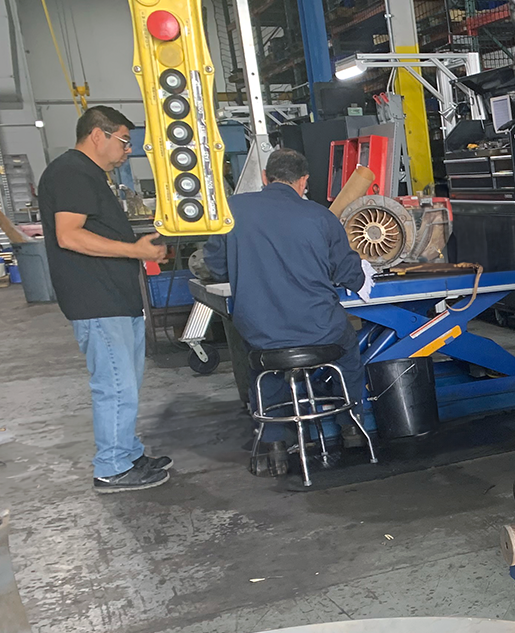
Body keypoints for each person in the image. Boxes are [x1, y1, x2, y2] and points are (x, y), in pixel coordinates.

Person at [201, 149, 370, 476]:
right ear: (304, 180)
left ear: (265, 178)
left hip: (261, 333)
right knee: (349, 350)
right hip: (321, 331)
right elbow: (350, 274)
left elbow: (216, 266)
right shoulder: (321, 216)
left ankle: (275, 443)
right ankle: (351, 427)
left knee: (263, 360)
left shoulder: (233, 210)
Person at [38, 106, 171, 493]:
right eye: (124, 141)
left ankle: (127, 453)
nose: (128, 149)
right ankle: (112, 467)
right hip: (97, 300)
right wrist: (135, 252)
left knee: (126, 384)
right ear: (98, 134)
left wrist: (140, 249)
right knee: (115, 386)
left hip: (115, 298)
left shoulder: (90, 175)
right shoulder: (71, 172)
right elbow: (69, 235)